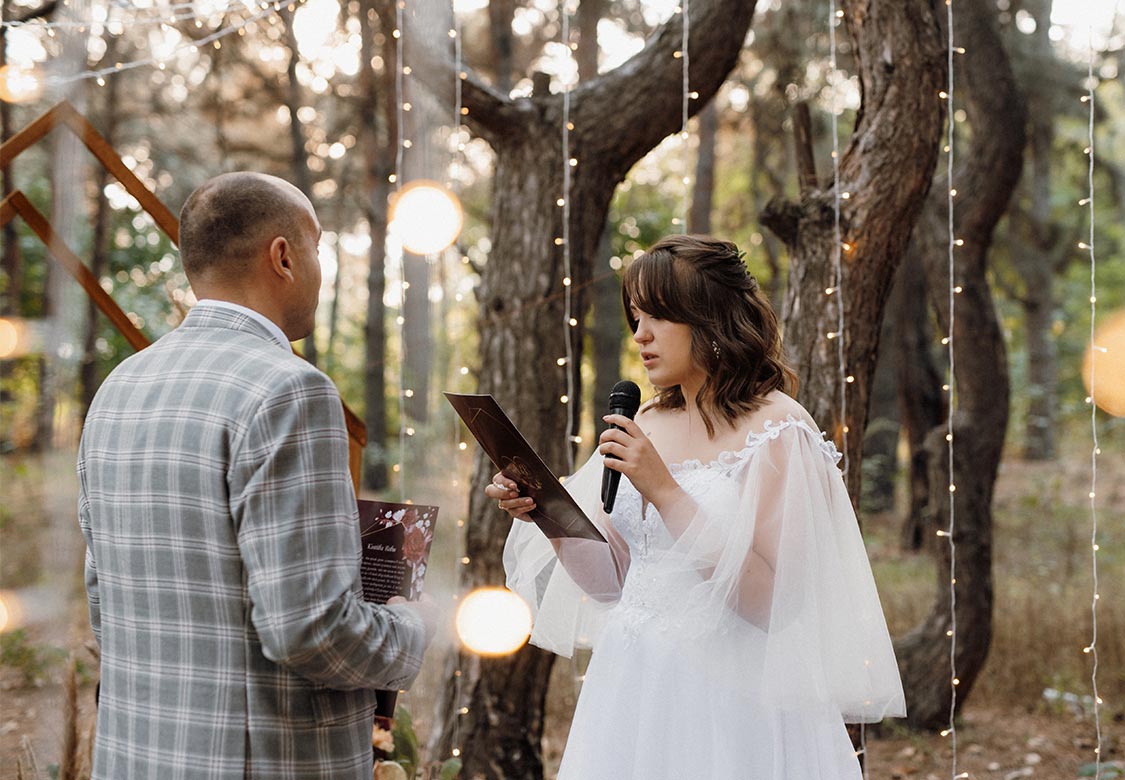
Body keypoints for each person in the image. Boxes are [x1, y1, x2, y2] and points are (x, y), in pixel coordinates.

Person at [489, 235, 905, 779]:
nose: (640, 335)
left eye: (657, 317)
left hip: (734, 702)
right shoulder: (647, 424)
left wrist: (665, 492)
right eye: (635, 318)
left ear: (708, 318)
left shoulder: (779, 429)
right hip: (633, 687)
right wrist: (546, 514)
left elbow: (770, 602)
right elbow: (613, 582)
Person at [77, 172, 436, 779]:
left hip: (135, 756)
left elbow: (103, 600)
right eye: (317, 246)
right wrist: (407, 631)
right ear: (283, 256)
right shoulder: (291, 391)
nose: (321, 268)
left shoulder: (119, 387)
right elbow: (311, 629)